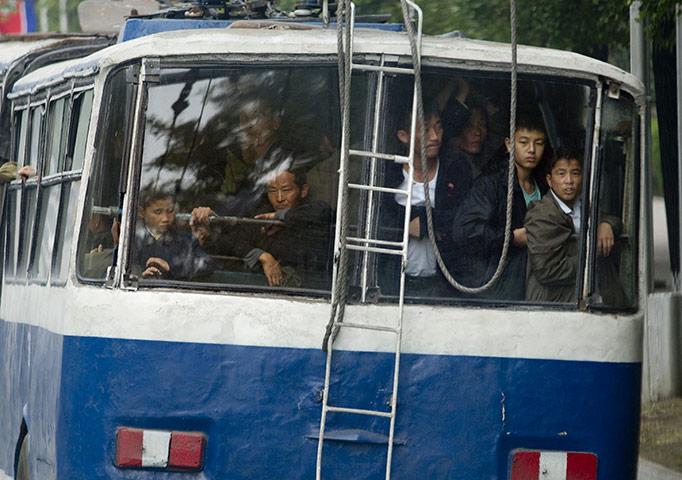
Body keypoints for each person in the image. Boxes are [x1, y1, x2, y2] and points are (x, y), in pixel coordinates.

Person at [451, 113, 549, 300]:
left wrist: (607, 222)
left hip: (532, 286)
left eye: (538, 143)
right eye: (524, 142)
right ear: (509, 144)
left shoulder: (544, 186)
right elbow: (464, 230)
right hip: (496, 289)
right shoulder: (491, 185)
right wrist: (511, 237)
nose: (531, 150)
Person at [382, 98, 472, 297]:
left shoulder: (455, 168)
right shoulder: (387, 174)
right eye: (424, 129)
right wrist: (408, 224)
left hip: (445, 284)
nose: (434, 137)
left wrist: (425, 221)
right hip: (394, 284)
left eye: (438, 128)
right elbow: (378, 220)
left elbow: (465, 216)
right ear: (403, 136)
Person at [525, 148, 622, 303]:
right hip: (554, 302)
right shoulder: (542, 214)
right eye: (561, 174)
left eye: (575, 173)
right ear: (549, 180)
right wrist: (591, 253)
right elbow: (547, 270)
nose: (569, 180)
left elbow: (613, 219)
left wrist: (606, 224)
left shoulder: (583, 205)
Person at [230, 168, 331, 288]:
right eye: (272, 191)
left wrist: (278, 216)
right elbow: (234, 241)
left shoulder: (312, 213)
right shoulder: (262, 216)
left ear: (303, 191)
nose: (279, 198)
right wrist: (263, 257)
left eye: (286, 190)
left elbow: (323, 211)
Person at [134, 189, 214, 280]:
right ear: (141, 212)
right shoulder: (132, 241)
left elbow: (206, 267)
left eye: (170, 211)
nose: (165, 218)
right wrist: (140, 278)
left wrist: (171, 269)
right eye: (158, 212)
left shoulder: (187, 241)